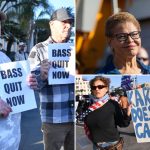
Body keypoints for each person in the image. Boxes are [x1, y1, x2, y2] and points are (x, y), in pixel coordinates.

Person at [28, 8, 74, 150]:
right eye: (64, 22)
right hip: (54, 119)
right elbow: (33, 85)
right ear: (52, 24)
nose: (68, 25)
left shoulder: (75, 49)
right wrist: (41, 75)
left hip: (75, 116)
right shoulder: (39, 49)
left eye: (70, 22)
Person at [82, 76, 131, 150]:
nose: (97, 89)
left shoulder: (112, 104)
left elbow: (123, 124)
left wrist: (127, 112)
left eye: (100, 86)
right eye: (94, 87)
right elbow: (83, 119)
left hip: (112, 145)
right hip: (96, 145)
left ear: (106, 89)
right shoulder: (88, 104)